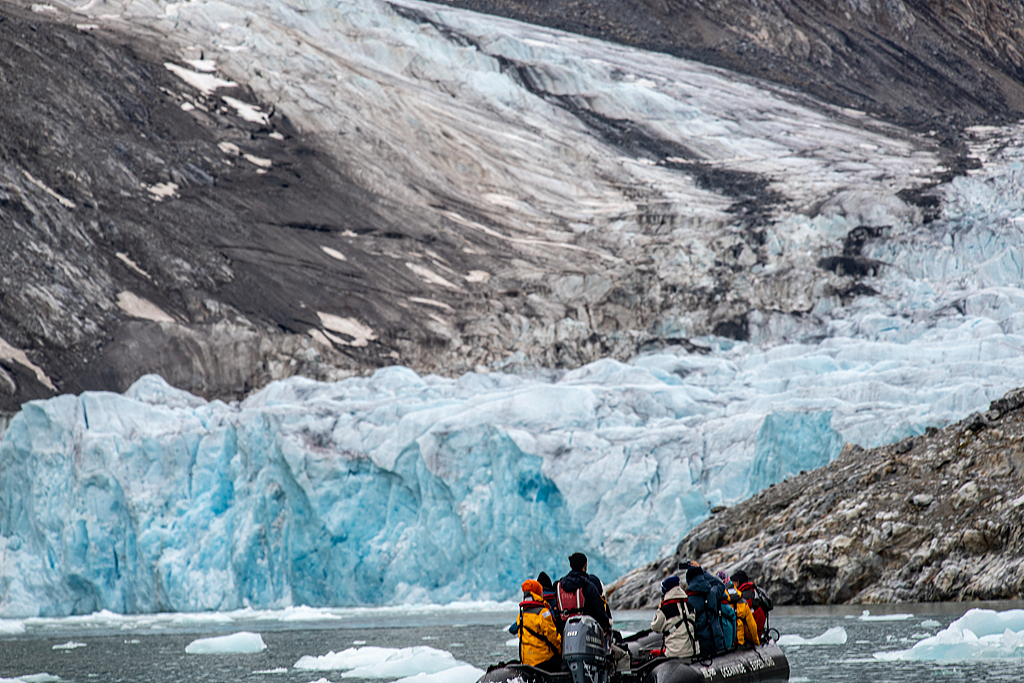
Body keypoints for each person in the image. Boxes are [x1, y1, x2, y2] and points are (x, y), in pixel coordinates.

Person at [512, 579, 562, 671]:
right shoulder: (543, 613)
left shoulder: (521, 615)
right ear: (538, 593)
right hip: (543, 661)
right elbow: (553, 638)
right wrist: (562, 651)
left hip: (527, 661)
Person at [556, 552, 611, 633]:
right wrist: (606, 626)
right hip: (586, 631)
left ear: (571, 566)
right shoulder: (588, 586)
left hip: (565, 631)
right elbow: (599, 611)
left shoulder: (559, 586)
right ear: (585, 566)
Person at [683, 561, 726, 656]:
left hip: (701, 646)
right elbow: (720, 584)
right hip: (718, 642)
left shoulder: (687, 600)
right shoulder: (713, 593)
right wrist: (701, 571)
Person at [650, 575, 698, 658]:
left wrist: (659, 609)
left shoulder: (665, 610)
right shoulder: (690, 606)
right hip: (694, 651)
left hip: (675, 653)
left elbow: (655, 626)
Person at [732, 570, 771, 642]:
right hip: (758, 629)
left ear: (737, 583)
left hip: (751, 634)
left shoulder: (742, 596)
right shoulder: (754, 591)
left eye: (733, 583)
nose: (732, 586)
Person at [725, 571, 760, 647]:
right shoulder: (751, 594)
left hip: (730, 642)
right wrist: (756, 641)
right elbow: (751, 626)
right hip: (742, 639)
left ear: (737, 583)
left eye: (732, 582)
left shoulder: (740, 598)